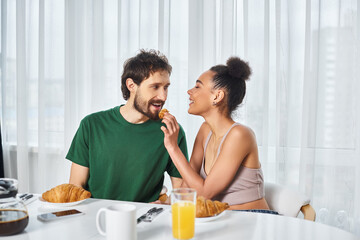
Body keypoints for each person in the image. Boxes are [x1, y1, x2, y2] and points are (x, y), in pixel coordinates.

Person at [66, 49, 188, 202]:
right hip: (95, 217)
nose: (163, 96)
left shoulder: (171, 131)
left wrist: (164, 202)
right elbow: (76, 187)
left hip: (144, 221)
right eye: (155, 87)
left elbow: (182, 190)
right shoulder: (92, 125)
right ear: (131, 85)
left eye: (166, 87)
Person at [161, 57, 269, 210]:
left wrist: (172, 148)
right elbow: (188, 184)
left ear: (217, 96)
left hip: (253, 219)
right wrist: (165, 204)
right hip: (221, 220)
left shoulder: (240, 135)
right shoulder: (205, 130)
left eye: (198, 86)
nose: (189, 91)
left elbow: (204, 193)